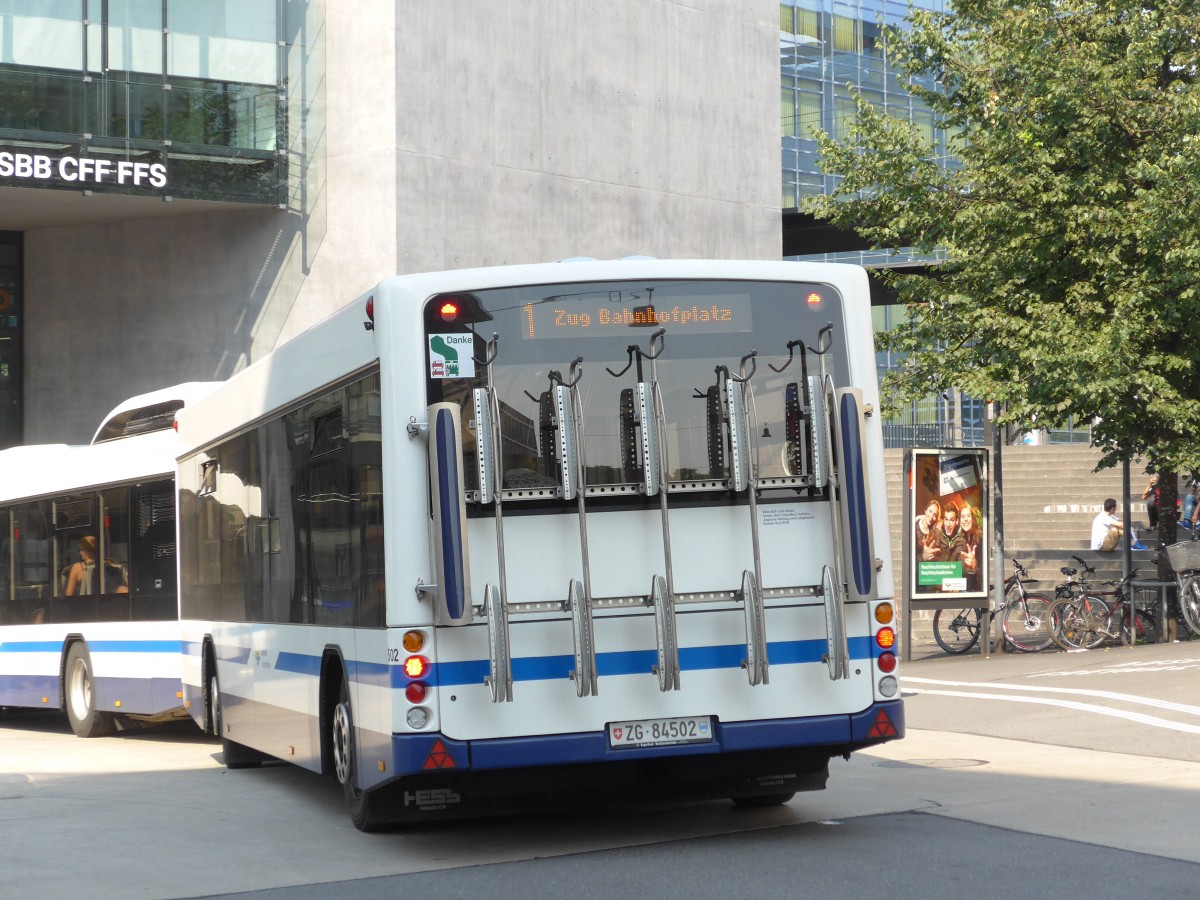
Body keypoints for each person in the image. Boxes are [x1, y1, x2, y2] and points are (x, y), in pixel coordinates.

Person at [958, 503, 982, 592]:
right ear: (959, 520)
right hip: (963, 587)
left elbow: (983, 567)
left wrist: (974, 565)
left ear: (972, 518)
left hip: (976, 590)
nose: (965, 519)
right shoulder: (960, 538)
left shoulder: (979, 537)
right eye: (963, 516)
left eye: (968, 516)